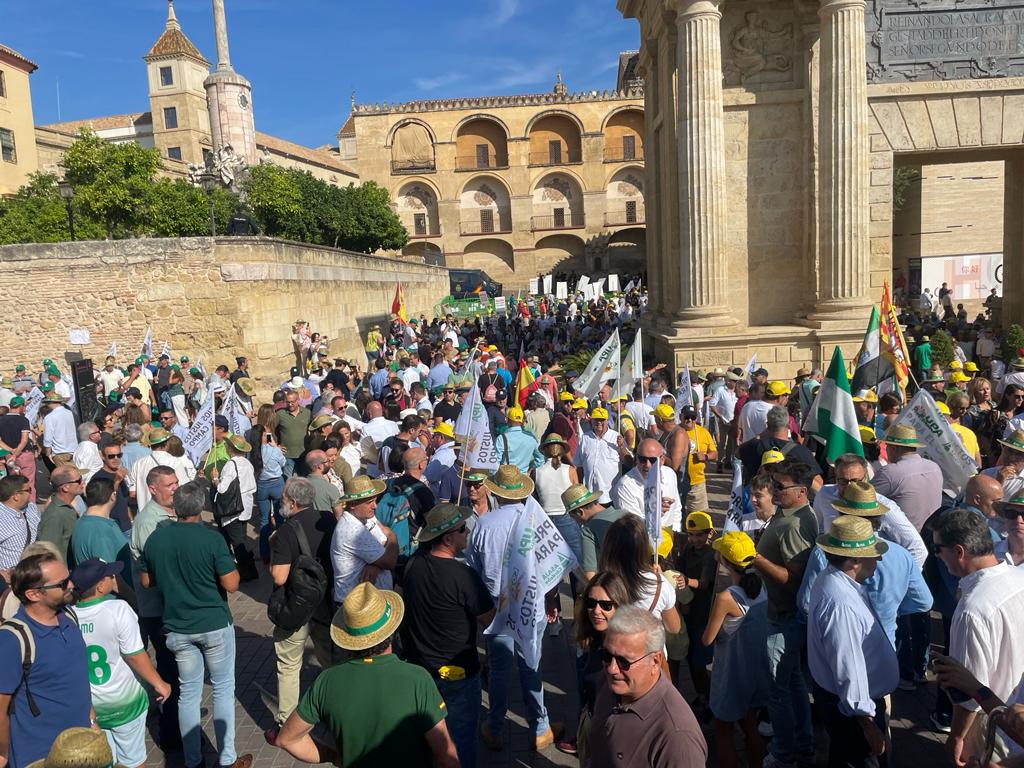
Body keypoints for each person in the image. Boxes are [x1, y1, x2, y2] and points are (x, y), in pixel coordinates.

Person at [274, 582, 459, 767]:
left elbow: (287, 740)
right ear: (391, 630)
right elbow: (445, 755)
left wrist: (333, 756)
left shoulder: (326, 681)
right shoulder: (418, 679)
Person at [139, 480, 251, 768]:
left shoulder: (156, 539)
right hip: (213, 622)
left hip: (177, 626)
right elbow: (232, 583)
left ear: (175, 507)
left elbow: (146, 581)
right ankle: (227, 758)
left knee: (188, 693)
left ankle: (193, 760)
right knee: (223, 688)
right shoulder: (212, 539)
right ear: (201, 507)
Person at [466, 465, 556, 751]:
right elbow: (552, 562)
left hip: (498, 607)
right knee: (531, 665)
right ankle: (540, 728)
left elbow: (473, 569)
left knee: (500, 671)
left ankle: (495, 727)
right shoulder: (537, 521)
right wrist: (551, 598)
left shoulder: (483, 524)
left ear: (495, 491)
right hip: (532, 603)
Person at [401, 503, 495, 768]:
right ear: (448, 538)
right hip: (458, 672)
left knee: (426, 736)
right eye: (462, 529)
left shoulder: (413, 565)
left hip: (420, 669)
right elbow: (488, 618)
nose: (467, 533)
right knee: (461, 738)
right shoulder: (463, 576)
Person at [932, 507, 1024, 765]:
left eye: (938, 549)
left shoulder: (972, 610)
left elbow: (969, 691)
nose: (937, 555)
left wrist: (957, 737)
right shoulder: (1019, 577)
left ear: (958, 552)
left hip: (991, 724)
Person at [807, 515, 897, 767]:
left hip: (841, 703)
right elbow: (848, 668)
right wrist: (867, 724)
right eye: (873, 554)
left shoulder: (831, 579)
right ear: (856, 560)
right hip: (852, 712)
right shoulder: (842, 605)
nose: (878, 559)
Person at [70, 558, 171, 768]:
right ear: (100, 586)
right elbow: (134, 654)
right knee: (133, 760)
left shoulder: (69, 616)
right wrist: (159, 683)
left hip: (92, 707)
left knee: (106, 759)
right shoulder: (118, 609)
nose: (112, 577)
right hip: (125, 702)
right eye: (109, 576)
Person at [751, 457, 818, 768]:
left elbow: (793, 581)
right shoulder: (791, 514)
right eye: (773, 485)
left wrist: (755, 558)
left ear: (801, 491)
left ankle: (784, 753)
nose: (774, 490)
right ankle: (803, 743)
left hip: (784, 617)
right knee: (793, 683)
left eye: (780, 486)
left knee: (778, 691)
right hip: (784, 616)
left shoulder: (795, 524)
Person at [0, 552, 92, 768]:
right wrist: (3, 752)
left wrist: (91, 721)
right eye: (62, 583)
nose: (71, 584)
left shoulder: (69, 616)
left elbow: (77, 678)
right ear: (33, 594)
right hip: (39, 757)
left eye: (68, 577)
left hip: (80, 749)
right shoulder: (13, 639)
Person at [588, 606, 708, 768]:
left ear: (655, 661)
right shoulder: (612, 681)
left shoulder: (677, 739)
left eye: (624, 662)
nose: (612, 669)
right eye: (607, 655)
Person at [265, 478, 336, 745]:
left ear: (293, 502)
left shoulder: (286, 531)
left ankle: (286, 723)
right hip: (325, 606)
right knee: (329, 663)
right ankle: (333, 713)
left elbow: (279, 576)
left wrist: (275, 549)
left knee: (288, 666)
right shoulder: (329, 519)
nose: (280, 503)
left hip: (294, 610)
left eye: (282, 499)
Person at [700, 531, 769, 768]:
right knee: (751, 727)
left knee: (723, 730)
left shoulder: (726, 597)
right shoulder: (762, 588)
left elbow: (707, 639)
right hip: (755, 670)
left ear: (725, 562)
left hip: (730, 672)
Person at [127, 465, 181, 750]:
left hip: (168, 607)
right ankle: (171, 734)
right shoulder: (149, 522)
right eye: (169, 484)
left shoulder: (169, 514)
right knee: (169, 671)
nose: (175, 488)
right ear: (153, 489)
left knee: (177, 670)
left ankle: (179, 722)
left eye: (176, 482)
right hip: (157, 610)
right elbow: (155, 572)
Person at [555, 572, 628, 761]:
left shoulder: (626, 648)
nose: (596, 610)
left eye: (605, 605)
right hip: (593, 726)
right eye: (591, 603)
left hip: (615, 737)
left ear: (620, 606)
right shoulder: (596, 639)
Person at [598, 513, 682, 635]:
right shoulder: (660, 585)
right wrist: (659, 578)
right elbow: (674, 628)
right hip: (648, 650)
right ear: (643, 548)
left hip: (611, 648)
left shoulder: (600, 582)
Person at [330, 475, 398, 604]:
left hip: (371, 601)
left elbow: (386, 536)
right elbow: (390, 561)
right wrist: (392, 539)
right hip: (358, 605)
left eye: (375, 500)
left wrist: (375, 564)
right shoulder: (352, 529)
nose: (375, 506)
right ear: (353, 504)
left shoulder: (366, 516)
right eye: (369, 502)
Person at [70, 476, 131, 575]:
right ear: (112, 496)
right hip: (110, 589)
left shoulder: (81, 522)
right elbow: (108, 575)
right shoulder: (101, 531)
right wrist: (128, 591)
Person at [36, 465, 84, 564]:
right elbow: (48, 552)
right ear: (66, 487)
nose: (83, 483)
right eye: (79, 480)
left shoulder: (66, 507)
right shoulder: (54, 515)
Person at [0, 475, 39, 583]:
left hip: (36, 575)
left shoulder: (31, 507)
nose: (31, 492)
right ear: (16, 496)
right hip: (13, 582)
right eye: (28, 490)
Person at [679, 406, 717, 512]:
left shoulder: (703, 432)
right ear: (680, 417)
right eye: (686, 417)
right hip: (678, 482)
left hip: (697, 482)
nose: (689, 420)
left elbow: (714, 453)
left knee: (697, 516)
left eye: (693, 417)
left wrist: (705, 456)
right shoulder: (676, 431)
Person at [91, 441, 133, 534]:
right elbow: (104, 500)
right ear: (102, 456)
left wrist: (131, 521)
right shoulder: (98, 478)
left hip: (127, 527)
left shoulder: (120, 474)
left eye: (119, 455)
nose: (116, 459)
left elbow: (125, 501)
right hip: (113, 529)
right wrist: (117, 481)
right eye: (111, 456)